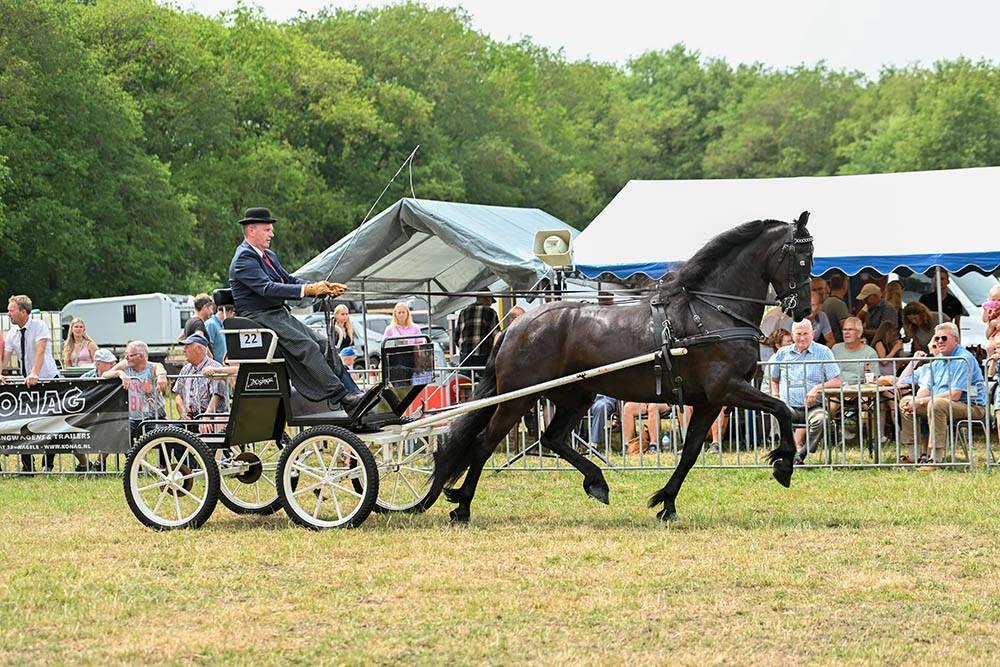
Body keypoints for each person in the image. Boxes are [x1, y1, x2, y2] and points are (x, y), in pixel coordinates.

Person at [228, 207, 364, 412]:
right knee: (306, 346)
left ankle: (354, 392)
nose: (272, 234)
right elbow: (267, 288)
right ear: (251, 230)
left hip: (277, 314)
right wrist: (308, 289)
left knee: (324, 343)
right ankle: (342, 397)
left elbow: (288, 280)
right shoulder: (244, 259)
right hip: (258, 317)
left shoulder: (268, 256)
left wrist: (321, 287)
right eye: (267, 230)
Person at [898, 322, 986, 468]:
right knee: (906, 401)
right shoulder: (938, 360)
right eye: (937, 338)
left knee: (936, 403)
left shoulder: (963, 359)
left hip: (972, 406)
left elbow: (955, 395)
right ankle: (914, 456)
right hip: (944, 404)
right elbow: (919, 387)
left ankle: (935, 459)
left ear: (956, 339)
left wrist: (920, 402)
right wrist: (914, 401)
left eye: (943, 338)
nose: (939, 341)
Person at [769, 319, 842, 463]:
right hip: (788, 406)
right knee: (777, 411)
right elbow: (774, 379)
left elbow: (837, 380)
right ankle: (790, 450)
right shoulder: (782, 353)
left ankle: (802, 453)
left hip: (814, 407)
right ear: (792, 334)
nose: (802, 337)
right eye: (798, 334)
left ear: (813, 334)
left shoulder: (824, 352)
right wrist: (776, 396)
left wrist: (817, 388)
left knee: (822, 419)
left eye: (806, 334)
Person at [4, 295, 61, 473]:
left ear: (23, 311)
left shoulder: (39, 326)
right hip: (27, 384)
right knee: (22, 423)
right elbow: (5, 357)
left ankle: (48, 463)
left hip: (47, 379)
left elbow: (41, 350)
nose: (8, 313)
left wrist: (35, 372)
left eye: (11, 310)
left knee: (51, 423)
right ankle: (27, 465)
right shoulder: (12, 332)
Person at [103, 341, 169, 442]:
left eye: (129, 355)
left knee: (164, 437)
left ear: (141, 356)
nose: (126, 358)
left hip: (155, 417)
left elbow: (160, 368)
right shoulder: (126, 365)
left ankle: (164, 458)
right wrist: (120, 373)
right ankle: (132, 457)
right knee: (120, 434)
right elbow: (105, 374)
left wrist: (161, 376)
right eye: (126, 355)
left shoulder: (153, 367)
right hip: (133, 419)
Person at [172, 333, 228, 434]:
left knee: (206, 431)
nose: (184, 350)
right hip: (190, 418)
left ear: (198, 349)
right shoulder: (186, 369)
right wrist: (183, 413)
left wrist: (206, 416)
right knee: (170, 434)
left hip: (212, 418)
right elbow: (178, 395)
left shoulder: (215, 368)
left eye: (187, 347)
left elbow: (217, 396)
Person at [80, 348, 120, 471]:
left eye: (114, 362)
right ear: (98, 364)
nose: (113, 365)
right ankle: (84, 464)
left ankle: (99, 463)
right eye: (109, 363)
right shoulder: (85, 378)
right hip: (88, 415)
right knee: (69, 431)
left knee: (113, 430)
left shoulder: (117, 377)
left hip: (109, 416)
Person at [456, 292, 499, 370]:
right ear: (487, 298)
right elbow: (496, 335)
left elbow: (456, 336)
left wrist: (464, 348)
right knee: (486, 380)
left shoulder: (463, 312)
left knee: (465, 380)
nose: (490, 304)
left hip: (466, 355)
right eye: (490, 301)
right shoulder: (490, 312)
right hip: (484, 355)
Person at [831, 317, 879, 385]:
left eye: (850, 329)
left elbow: (874, 380)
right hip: (835, 390)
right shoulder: (835, 349)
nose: (846, 333)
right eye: (844, 330)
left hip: (859, 392)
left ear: (859, 333)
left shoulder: (870, 353)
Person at [814, 277, 848, 344]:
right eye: (814, 290)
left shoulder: (826, 306)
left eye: (820, 288)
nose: (817, 292)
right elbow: (846, 328)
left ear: (827, 289)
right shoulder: (837, 303)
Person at [204, 293, 232, 362]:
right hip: (214, 368)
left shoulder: (222, 325)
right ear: (230, 312)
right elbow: (206, 348)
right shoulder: (211, 324)